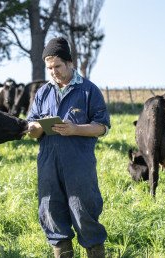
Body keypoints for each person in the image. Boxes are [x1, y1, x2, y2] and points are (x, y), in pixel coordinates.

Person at [26, 37, 110, 258]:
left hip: (78, 165)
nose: (53, 72)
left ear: (70, 63)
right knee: (51, 212)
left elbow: (101, 127)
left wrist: (75, 129)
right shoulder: (43, 93)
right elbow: (31, 129)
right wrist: (37, 127)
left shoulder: (89, 91)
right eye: (49, 68)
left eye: (57, 66)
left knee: (84, 212)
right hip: (48, 164)